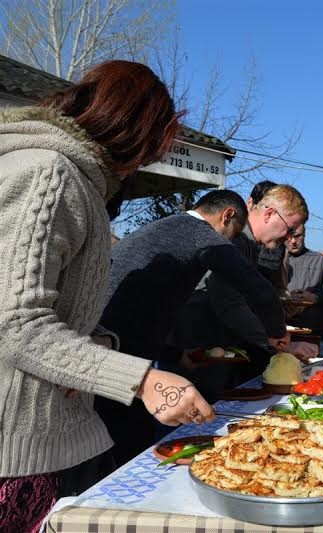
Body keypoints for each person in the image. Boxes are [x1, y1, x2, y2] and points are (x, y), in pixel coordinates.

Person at [0, 60, 214, 532]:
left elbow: (45, 309)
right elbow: (16, 324)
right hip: (15, 452)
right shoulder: (51, 174)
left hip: (44, 434)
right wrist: (143, 379)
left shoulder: (65, 175)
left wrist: (97, 347)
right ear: (139, 131)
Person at [98, 189, 291, 465]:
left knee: (124, 445)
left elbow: (145, 310)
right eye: (234, 234)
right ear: (227, 216)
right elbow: (260, 291)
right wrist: (277, 333)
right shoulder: (200, 232)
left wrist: (176, 355)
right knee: (130, 451)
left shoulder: (163, 229)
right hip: (118, 358)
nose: (231, 242)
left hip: (107, 343)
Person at [168, 182, 318, 392]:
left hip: (206, 350)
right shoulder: (236, 241)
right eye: (290, 228)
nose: (289, 237)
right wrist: (275, 340)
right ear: (270, 214)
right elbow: (227, 300)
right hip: (196, 351)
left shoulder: (247, 245)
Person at [285, 224, 323, 354]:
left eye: (297, 236)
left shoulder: (320, 261)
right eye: (289, 237)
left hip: (314, 336)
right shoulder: (275, 261)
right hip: (283, 337)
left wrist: (314, 298)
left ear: (304, 235)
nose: (293, 241)